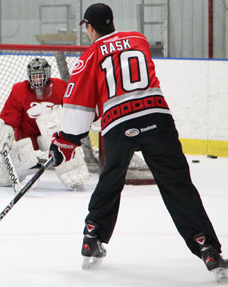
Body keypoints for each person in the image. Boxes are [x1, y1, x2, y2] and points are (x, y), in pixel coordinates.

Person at [49, 2, 227, 280]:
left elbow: (78, 101)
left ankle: (92, 236)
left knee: (111, 177)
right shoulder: (138, 39)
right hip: (157, 116)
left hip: (119, 123)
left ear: (90, 28)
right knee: (177, 184)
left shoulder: (91, 54)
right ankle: (207, 248)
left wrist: (66, 140)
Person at [0, 58, 90, 190]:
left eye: (40, 76)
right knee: (3, 175)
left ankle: (74, 175)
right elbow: (9, 117)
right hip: (27, 138)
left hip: (53, 135)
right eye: (34, 77)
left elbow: (72, 110)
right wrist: (4, 132)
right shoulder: (19, 90)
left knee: (58, 128)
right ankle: (9, 171)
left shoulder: (60, 86)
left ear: (47, 74)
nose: (37, 80)